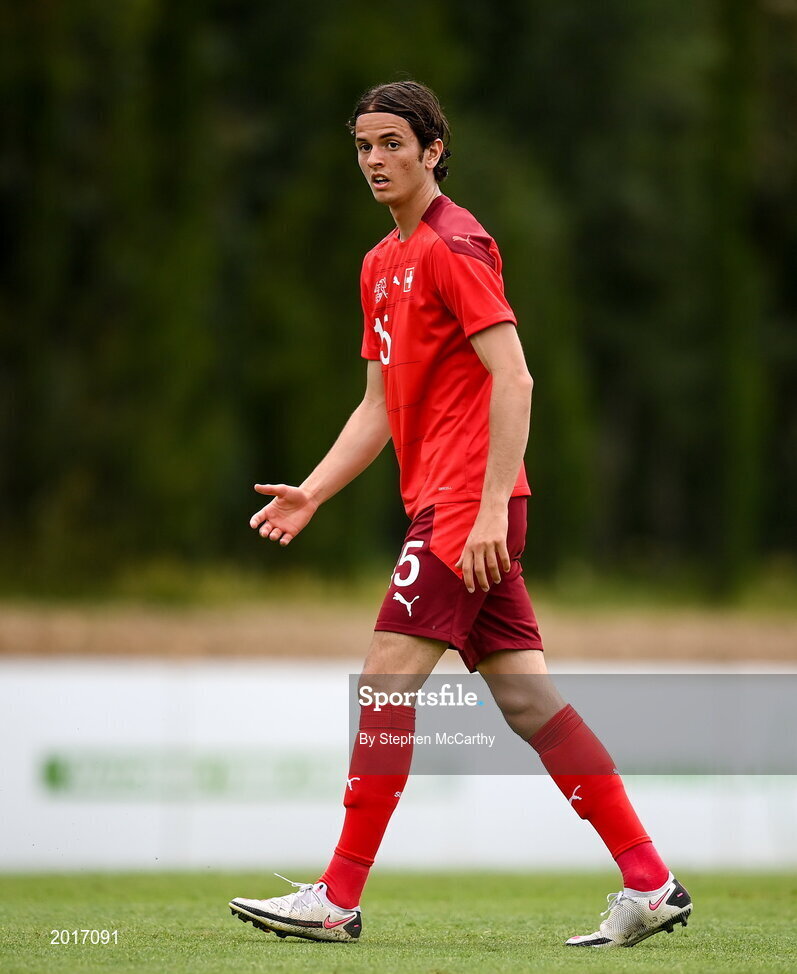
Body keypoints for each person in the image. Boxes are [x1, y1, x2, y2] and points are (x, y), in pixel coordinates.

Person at [229, 80, 692, 949]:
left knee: (383, 682)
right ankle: (649, 881)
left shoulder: (456, 244)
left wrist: (484, 511)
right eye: (364, 145)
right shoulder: (378, 263)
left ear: (433, 149)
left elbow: (514, 378)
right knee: (528, 703)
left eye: (393, 144)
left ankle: (336, 897)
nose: (376, 160)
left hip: (462, 511)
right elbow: (376, 405)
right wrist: (315, 490)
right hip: (457, 509)